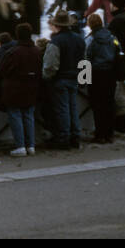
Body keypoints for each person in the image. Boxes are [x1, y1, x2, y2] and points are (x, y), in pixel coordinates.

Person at [0, 23, 43, 155]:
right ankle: (31, 145)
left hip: (14, 89)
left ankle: (20, 145)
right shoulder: (37, 51)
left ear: (17, 35)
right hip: (32, 88)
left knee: (15, 115)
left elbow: (1, 70)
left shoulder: (12, 52)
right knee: (29, 115)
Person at [42, 12, 84, 149]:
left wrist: (47, 77)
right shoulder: (79, 39)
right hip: (74, 78)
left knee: (62, 110)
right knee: (73, 108)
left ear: (56, 25)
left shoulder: (56, 42)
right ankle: (75, 136)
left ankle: (63, 138)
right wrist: (85, 79)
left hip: (60, 80)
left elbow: (50, 65)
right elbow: (85, 60)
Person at [84, 12, 121, 143]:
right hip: (110, 73)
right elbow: (118, 50)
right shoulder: (112, 36)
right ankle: (109, 133)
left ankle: (100, 134)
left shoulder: (90, 39)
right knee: (109, 102)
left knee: (97, 105)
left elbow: (86, 58)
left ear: (90, 25)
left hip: (96, 74)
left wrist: (84, 79)